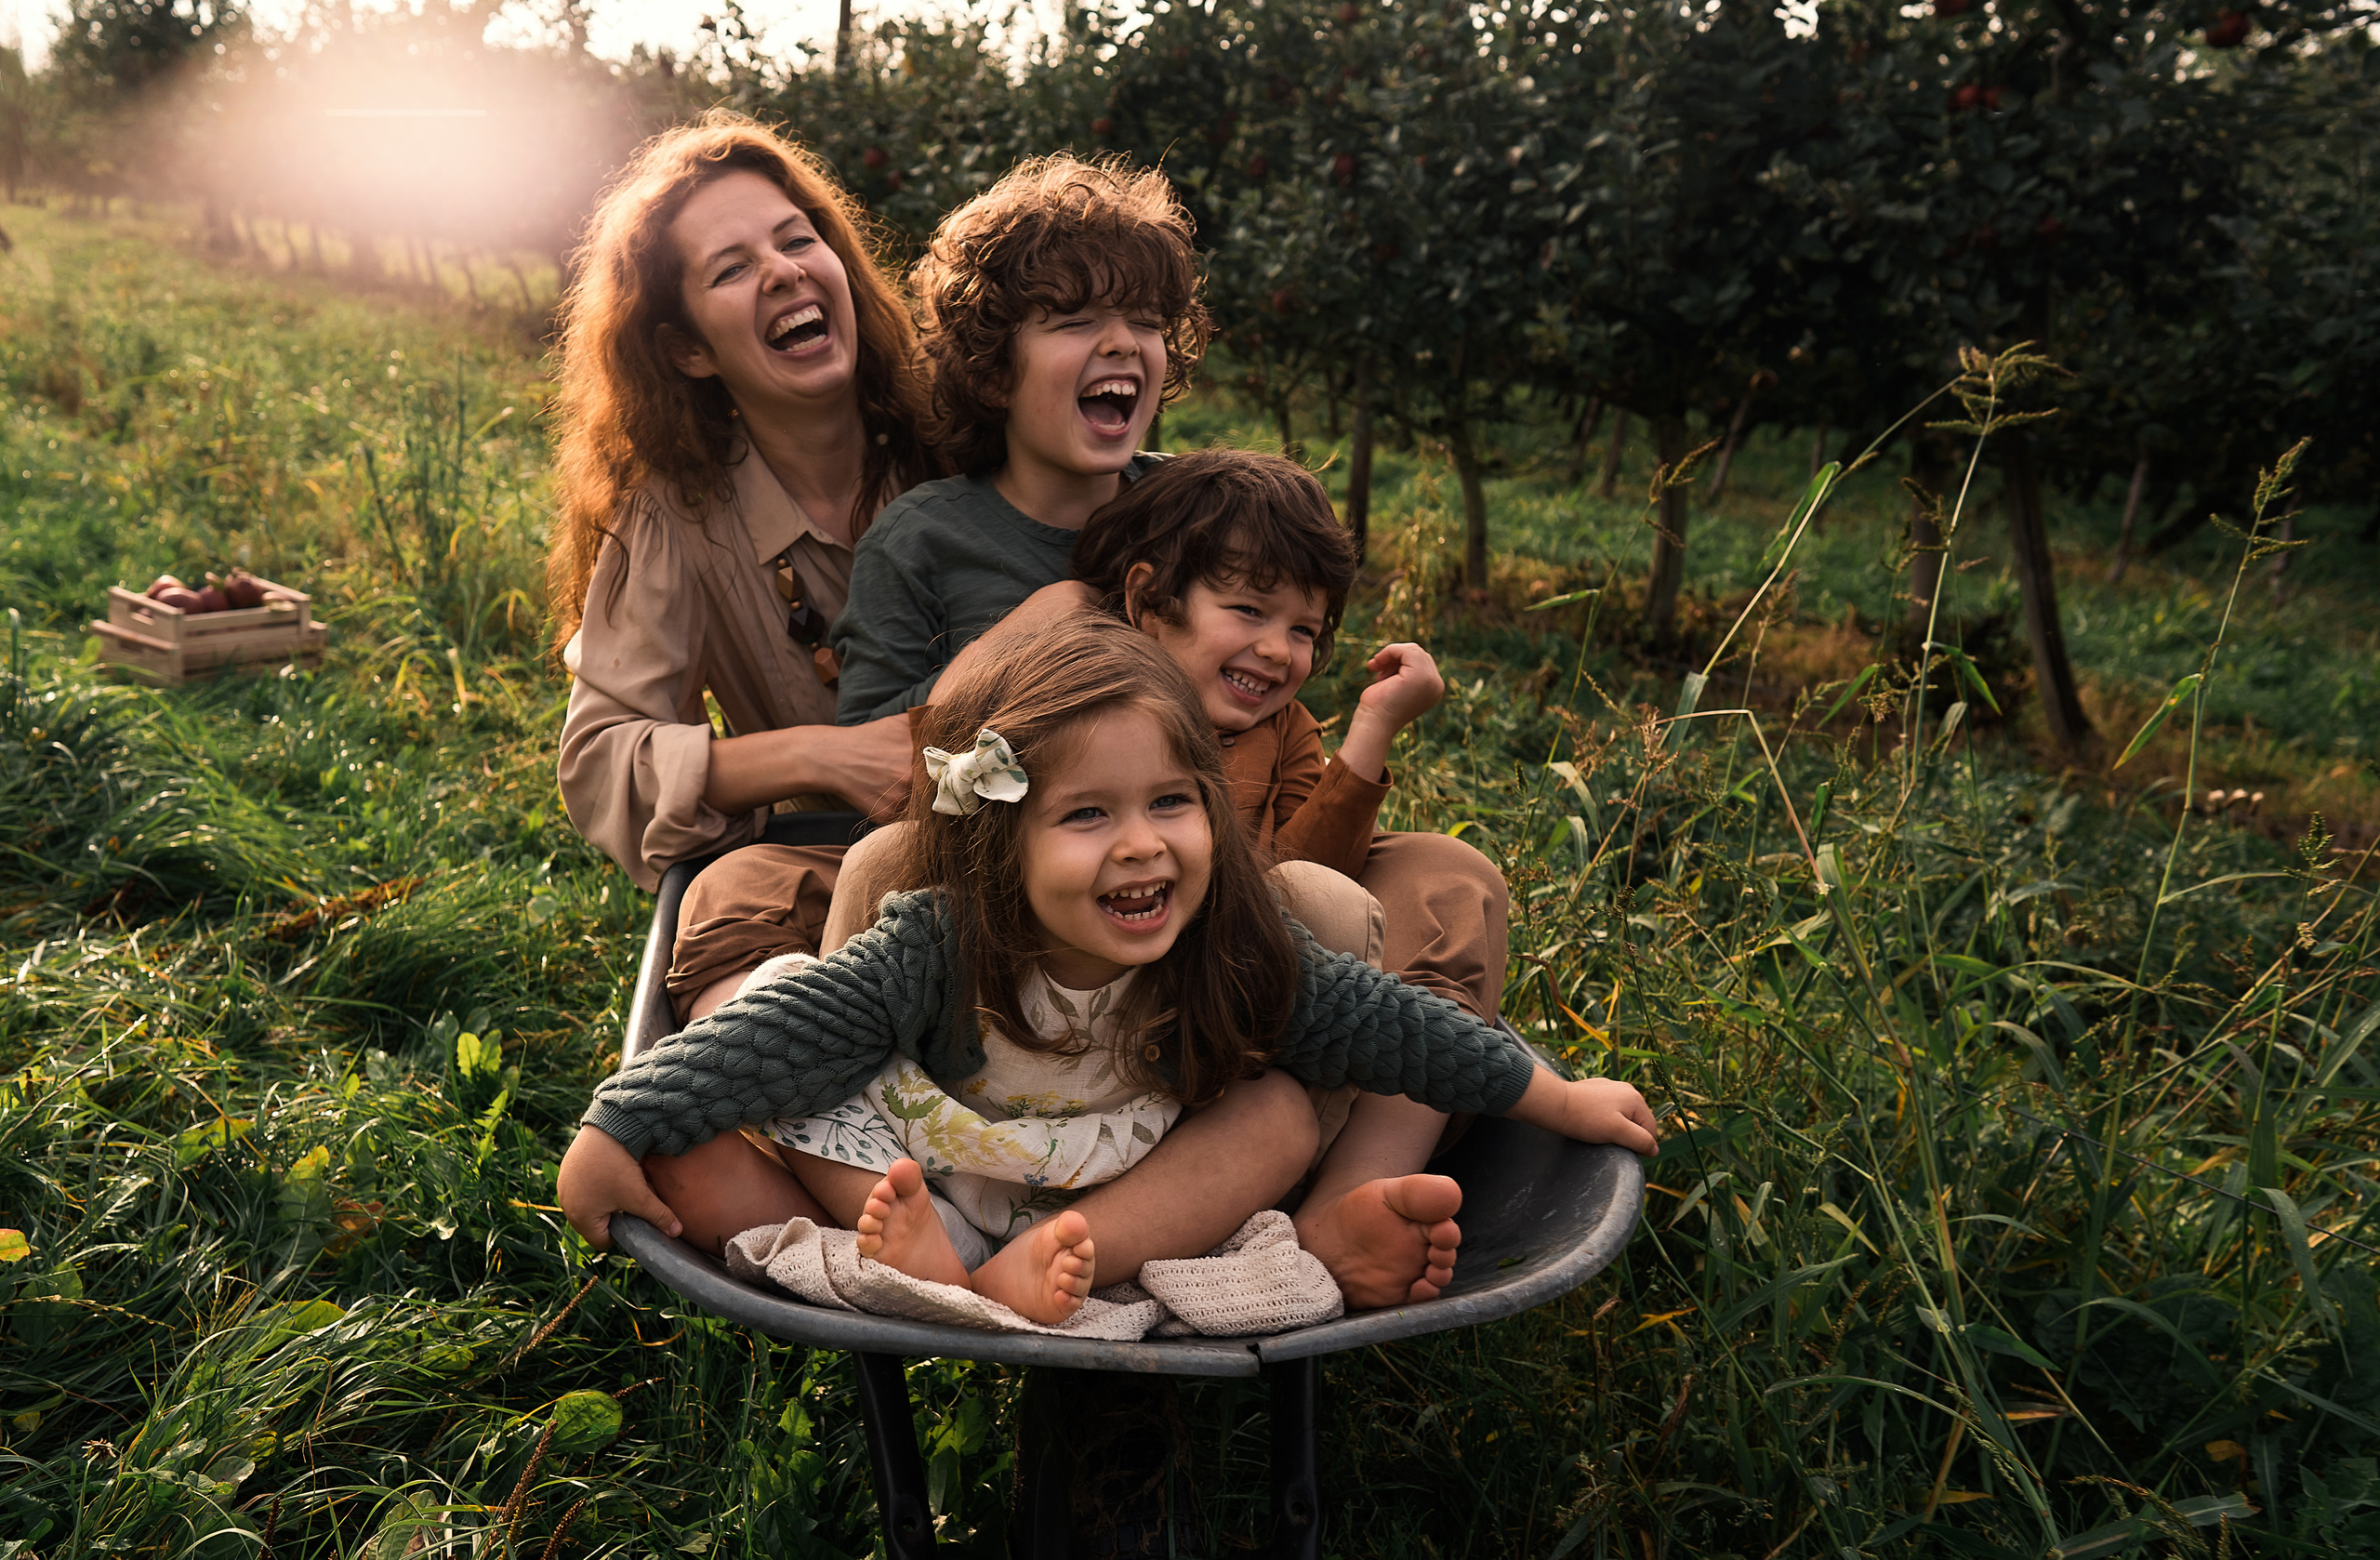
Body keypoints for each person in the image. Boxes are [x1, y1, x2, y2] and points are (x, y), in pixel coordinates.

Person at [557, 619, 1659, 1326]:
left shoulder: (1225, 940)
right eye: (1087, 815)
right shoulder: (938, 941)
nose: (1142, 845)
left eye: (1171, 804)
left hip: (1111, 1198)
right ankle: (933, 1266)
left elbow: (1393, 1028)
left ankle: (1006, 1275)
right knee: (711, 1124)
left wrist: (1554, 1095)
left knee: (1276, 1116)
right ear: (1003, 846)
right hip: (929, 1165)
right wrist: (613, 1127)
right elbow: (783, 1031)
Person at [828, 448, 1516, 1307]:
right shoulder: (1078, 701)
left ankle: (1343, 1199)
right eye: (1248, 611)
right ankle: (871, 1164)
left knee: (1446, 876)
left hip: (1224, 1064)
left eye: (1304, 630)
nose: (1278, 650)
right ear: (1150, 602)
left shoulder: (1285, 732)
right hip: (1025, 1056)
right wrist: (1044, 618)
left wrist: (1370, 728)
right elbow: (947, 774)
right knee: (883, 863)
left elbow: (1307, 899)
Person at [546, 111, 937, 1020]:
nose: (783, 271)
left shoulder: (956, 432)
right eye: (731, 268)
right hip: (838, 861)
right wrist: (819, 755)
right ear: (687, 349)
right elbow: (604, 759)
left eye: (797, 239)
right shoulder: (677, 516)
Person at [827, 152, 1204, 725]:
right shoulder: (919, 543)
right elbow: (866, 753)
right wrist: (1019, 638)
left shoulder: (1196, 509)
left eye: (1147, 321)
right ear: (992, 375)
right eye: (1076, 321)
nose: (1124, 342)